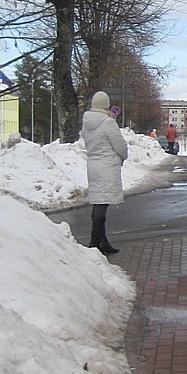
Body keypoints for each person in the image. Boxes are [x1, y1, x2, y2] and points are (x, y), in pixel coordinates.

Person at [81, 91, 128, 255]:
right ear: (106, 105)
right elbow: (120, 145)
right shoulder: (108, 123)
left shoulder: (86, 122)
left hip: (93, 165)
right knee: (102, 204)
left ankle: (102, 241)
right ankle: (94, 243)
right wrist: (124, 156)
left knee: (98, 202)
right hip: (107, 165)